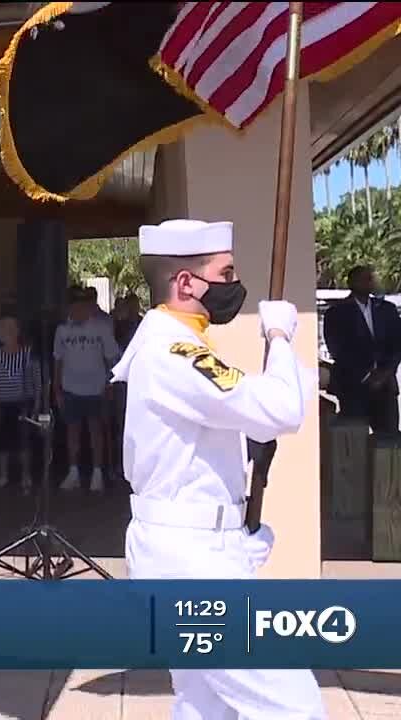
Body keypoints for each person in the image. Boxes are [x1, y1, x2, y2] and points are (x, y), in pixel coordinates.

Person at [111, 219, 324, 720]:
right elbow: (278, 410)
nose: (234, 283)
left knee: (207, 706)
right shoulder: (173, 352)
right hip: (191, 565)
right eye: (224, 272)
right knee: (293, 704)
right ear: (186, 283)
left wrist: (234, 533)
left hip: (198, 552)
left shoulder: (182, 346)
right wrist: (277, 336)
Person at [53, 285, 119, 493]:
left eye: (82, 306)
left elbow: (112, 359)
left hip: (96, 387)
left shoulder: (101, 328)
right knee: (73, 431)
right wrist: (56, 389)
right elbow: (58, 360)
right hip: (71, 387)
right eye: (74, 306)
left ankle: (97, 473)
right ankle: (73, 473)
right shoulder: (62, 330)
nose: (78, 310)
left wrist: (110, 384)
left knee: (95, 431)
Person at [324, 265, 400, 434]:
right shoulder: (335, 313)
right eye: (365, 279)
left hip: (385, 387)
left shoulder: (387, 310)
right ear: (352, 283)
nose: (370, 282)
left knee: (389, 441)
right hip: (353, 387)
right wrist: (366, 376)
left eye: (371, 278)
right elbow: (337, 350)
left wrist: (385, 373)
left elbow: (397, 345)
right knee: (356, 444)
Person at [0, 314, 42, 492]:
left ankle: (26, 476)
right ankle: (4, 475)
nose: (6, 333)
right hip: (1, 404)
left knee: (23, 442)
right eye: (2, 329)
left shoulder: (28, 353)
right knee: (2, 442)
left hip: (22, 403)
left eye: (10, 329)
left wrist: (36, 405)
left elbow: (37, 381)